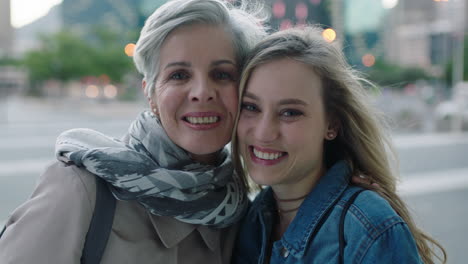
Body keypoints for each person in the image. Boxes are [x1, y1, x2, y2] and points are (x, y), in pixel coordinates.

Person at [0, 0, 266, 263]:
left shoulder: (245, 209)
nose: (202, 93)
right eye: (179, 75)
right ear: (150, 94)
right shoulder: (81, 188)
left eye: (221, 74)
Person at [231, 26, 447, 264]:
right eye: (251, 107)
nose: (263, 133)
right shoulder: (248, 221)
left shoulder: (368, 228)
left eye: (290, 112)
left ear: (331, 125)